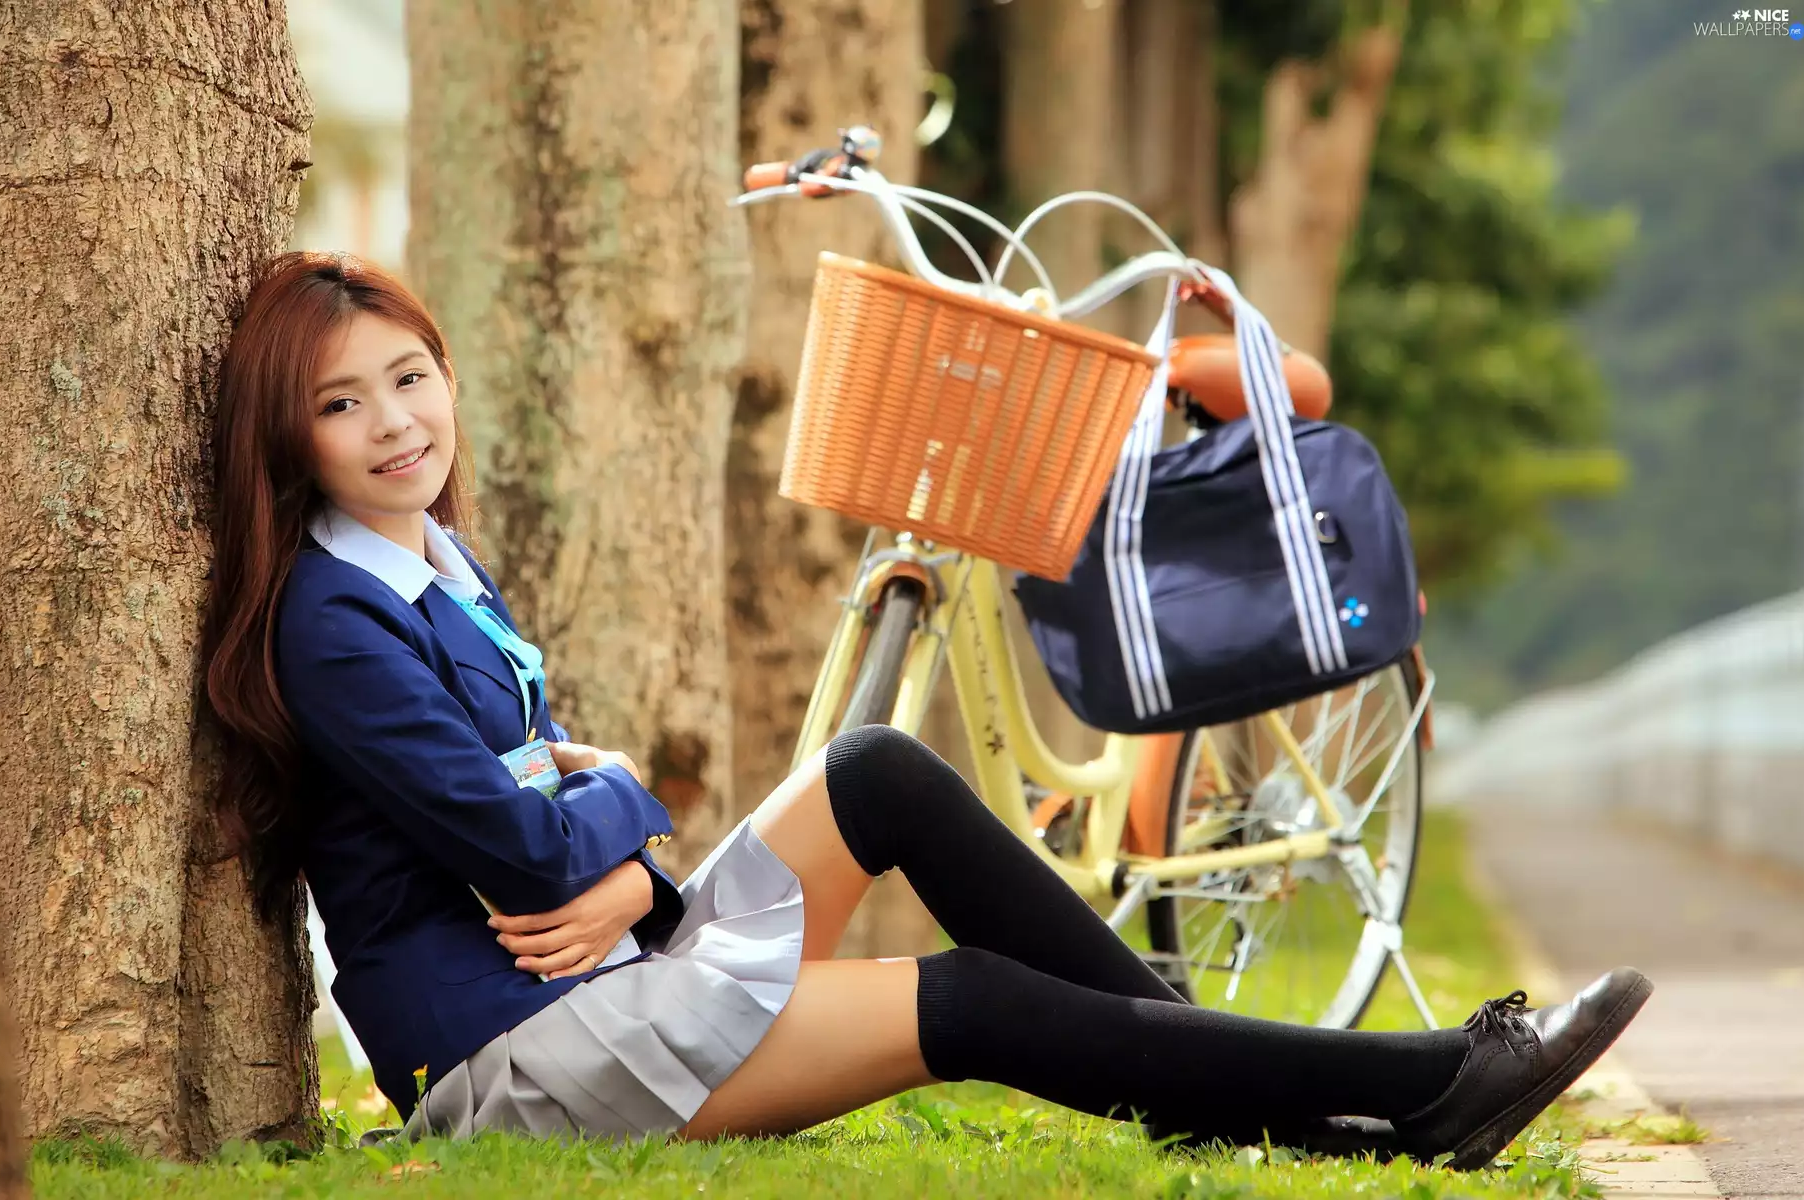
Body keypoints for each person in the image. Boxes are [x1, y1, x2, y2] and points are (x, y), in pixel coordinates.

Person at [202, 251, 1652, 1171]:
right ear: (290, 435)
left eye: (409, 378)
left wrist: (625, 855)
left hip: (596, 970)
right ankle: (1431, 1084)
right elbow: (523, 842)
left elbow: (556, 832)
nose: (396, 423)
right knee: (963, 1003)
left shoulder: (433, 563)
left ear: (445, 377)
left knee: (878, 770)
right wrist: (630, 794)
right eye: (343, 405)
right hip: (512, 1056)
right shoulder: (332, 622)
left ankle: (1232, 1091)